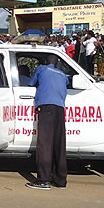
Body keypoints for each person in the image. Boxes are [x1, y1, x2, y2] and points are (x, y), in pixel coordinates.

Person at [26, 55, 69, 190]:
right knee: (59, 144)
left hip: (46, 107)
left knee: (45, 144)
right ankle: (60, 180)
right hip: (60, 108)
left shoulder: (41, 69)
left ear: (46, 62)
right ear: (56, 64)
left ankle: (43, 180)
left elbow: (31, 84)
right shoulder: (62, 74)